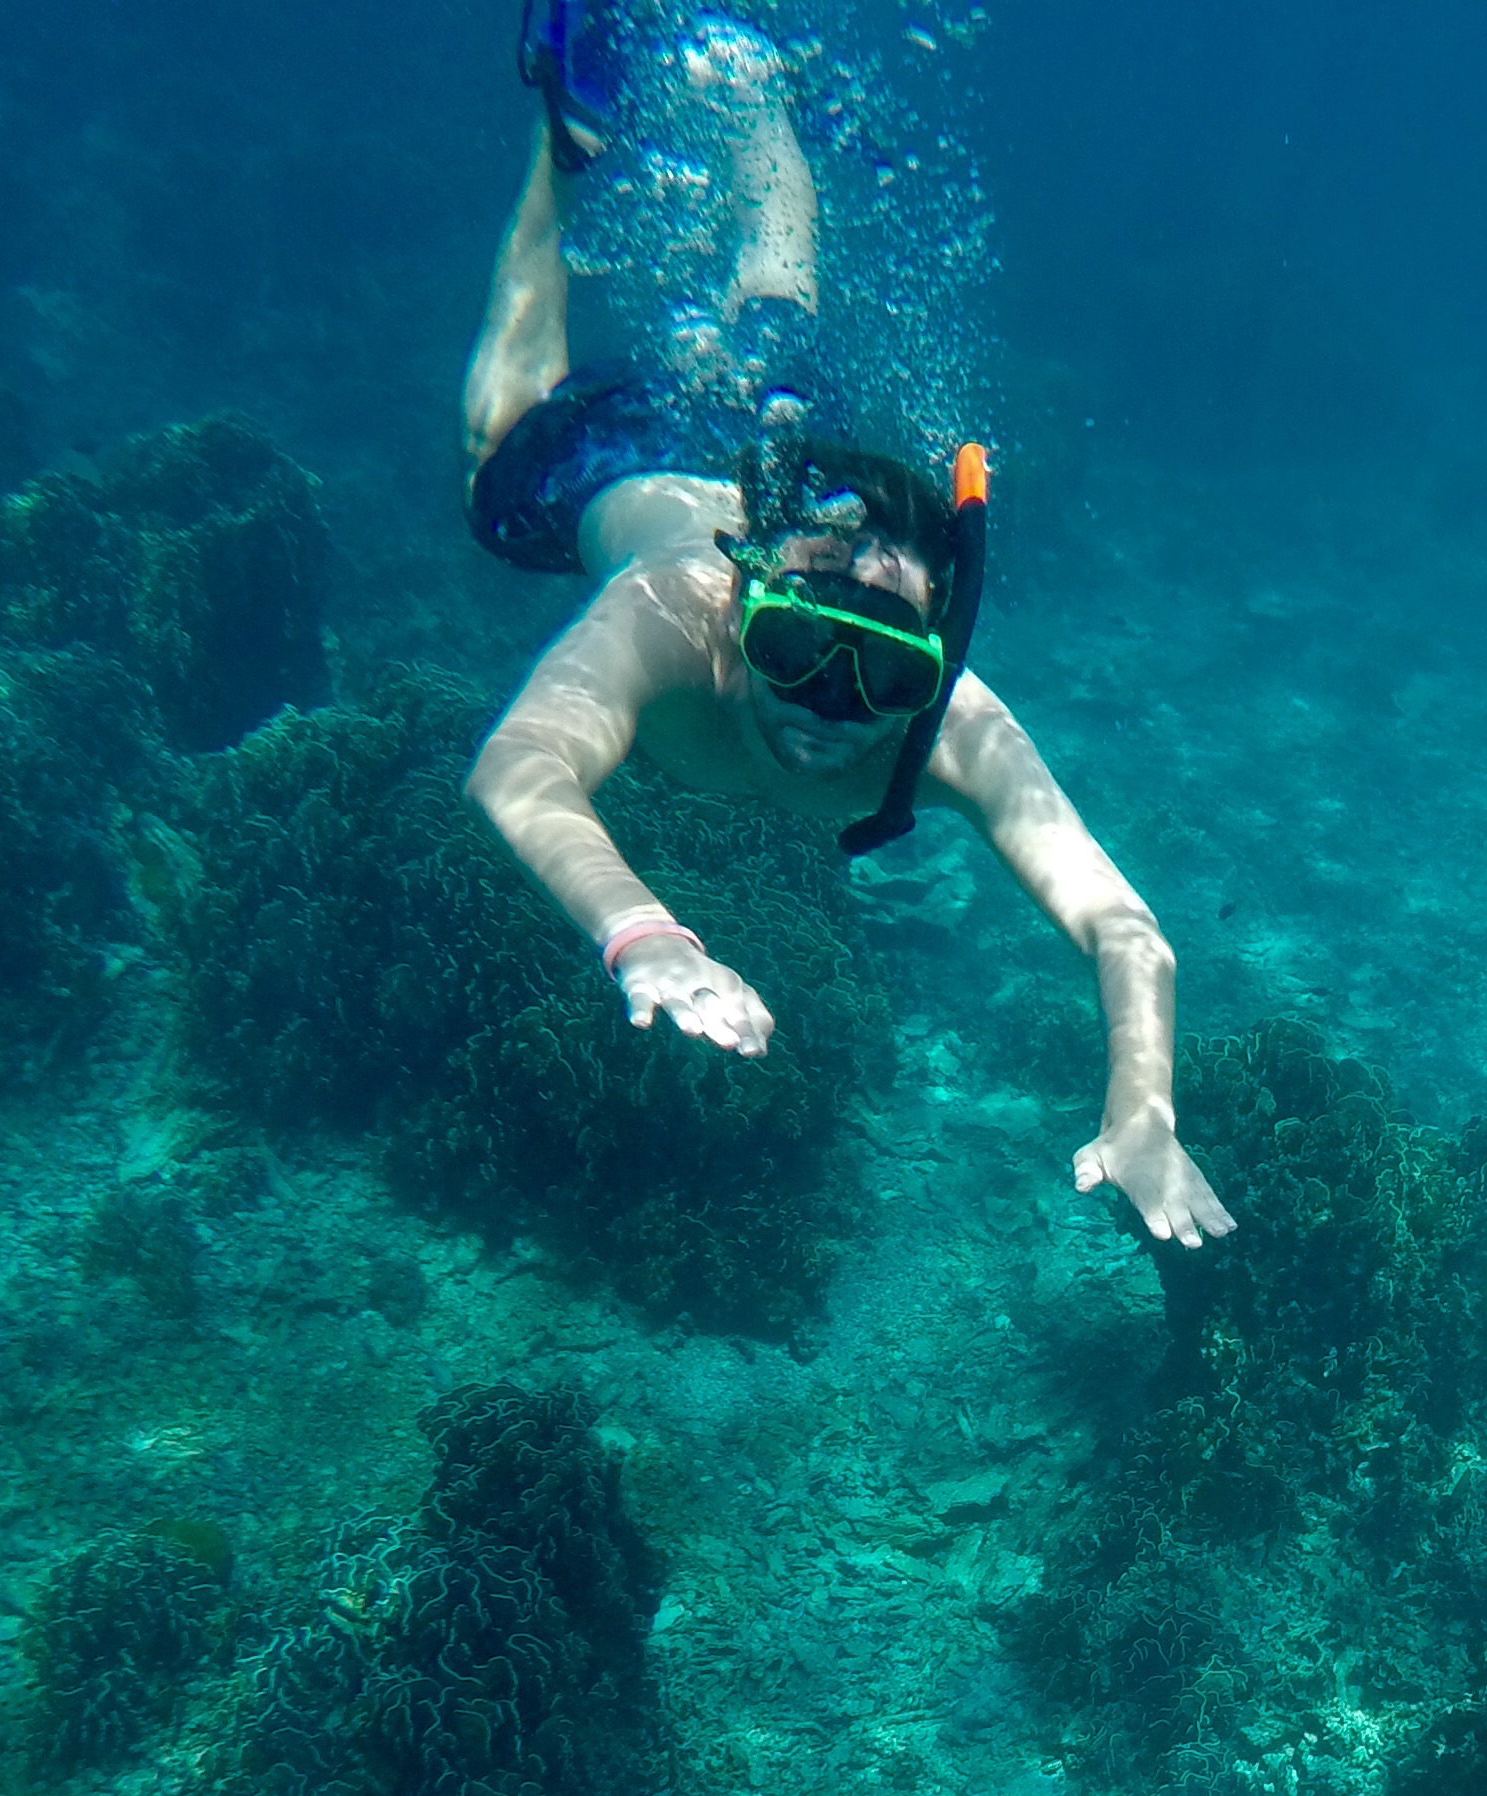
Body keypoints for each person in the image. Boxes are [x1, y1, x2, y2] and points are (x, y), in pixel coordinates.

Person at [456, 9, 1235, 1250]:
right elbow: (520, 765)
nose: (825, 702)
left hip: (772, 466)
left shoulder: (950, 728)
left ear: (934, 664)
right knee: (500, 443)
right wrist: (643, 935)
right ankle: (563, 145)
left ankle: (759, 97)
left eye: (878, 672)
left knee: (781, 333)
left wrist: (1143, 1110)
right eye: (794, 648)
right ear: (742, 602)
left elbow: (1124, 928)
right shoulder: (669, 612)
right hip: (616, 464)